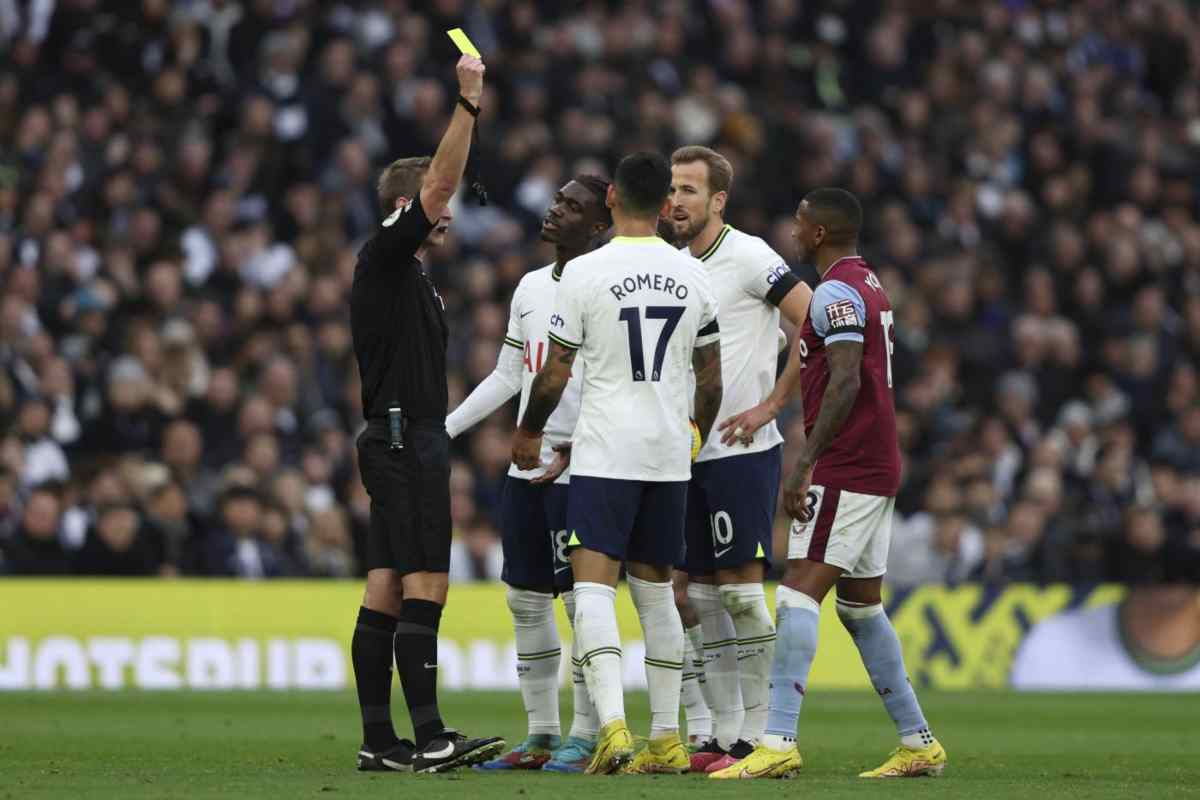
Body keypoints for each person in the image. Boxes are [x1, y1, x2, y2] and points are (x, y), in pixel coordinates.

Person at [712, 189, 946, 780]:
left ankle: (778, 738)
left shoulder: (834, 293)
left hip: (848, 465)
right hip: (876, 464)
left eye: (799, 222)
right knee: (862, 609)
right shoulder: (867, 283)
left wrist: (806, 460)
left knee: (796, 596)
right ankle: (918, 741)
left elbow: (844, 380)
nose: (793, 230)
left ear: (817, 233)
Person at [511, 151, 723, 775]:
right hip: (667, 454)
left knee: (593, 586)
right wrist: (693, 436)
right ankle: (667, 737)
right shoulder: (693, 276)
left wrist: (528, 432)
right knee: (657, 591)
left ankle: (612, 730)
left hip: (606, 451)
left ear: (611, 202)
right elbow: (711, 382)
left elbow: (554, 372)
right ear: (664, 205)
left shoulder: (585, 273)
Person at [347, 53, 503, 774]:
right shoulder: (384, 256)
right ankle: (433, 736)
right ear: (411, 207)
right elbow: (439, 182)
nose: (450, 213)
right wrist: (467, 105)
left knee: (384, 585)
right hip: (406, 442)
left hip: (396, 439)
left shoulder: (404, 274)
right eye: (439, 205)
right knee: (424, 585)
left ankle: (381, 742)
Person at [445, 176, 613, 773]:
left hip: (587, 468)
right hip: (529, 467)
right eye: (557, 199)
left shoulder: (609, 287)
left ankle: (586, 734)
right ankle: (540, 734)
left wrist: (580, 441)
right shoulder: (531, 286)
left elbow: (618, 381)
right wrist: (445, 431)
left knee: (580, 605)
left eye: (572, 206)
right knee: (524, 599)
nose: (554, 209)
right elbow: (508, 375)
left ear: (598, 226)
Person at [663, 145, 813, 773]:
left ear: (718, 200)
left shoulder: (750, 256)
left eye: (690, 191)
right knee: (692, 593)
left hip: (740, 453)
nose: (676, 200)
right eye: (672, 189)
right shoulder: (667, 265)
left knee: (742, 593)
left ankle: (763, 735)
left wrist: (775, 403)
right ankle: (722, 735)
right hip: (683, 454)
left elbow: (817, 322)